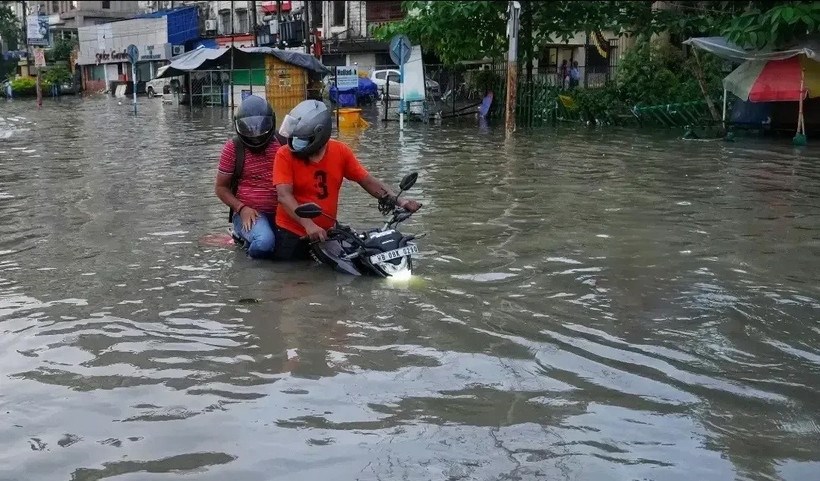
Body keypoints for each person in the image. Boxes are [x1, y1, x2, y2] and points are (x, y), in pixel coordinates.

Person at [271, 100, 422, 261]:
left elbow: (366, 180)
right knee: (291, 277)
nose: (295, 143)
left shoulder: (340, 151)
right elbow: (284, 196)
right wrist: (309, 225)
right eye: (295, 138)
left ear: (319, 135)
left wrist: (400, 201)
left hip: (327, 232)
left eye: (302, 140)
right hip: (293, 233)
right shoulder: (284, 154)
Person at [214, 95, 283, 259]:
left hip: (282, 212)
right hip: (249, 213)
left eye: (260, 125)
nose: (255, 132)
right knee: (264, 243)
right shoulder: (233, 148)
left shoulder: (282, 143)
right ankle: (248, 259)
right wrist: (241, 208)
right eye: (249, 127)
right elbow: (220, 188)